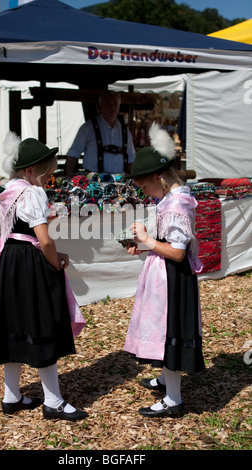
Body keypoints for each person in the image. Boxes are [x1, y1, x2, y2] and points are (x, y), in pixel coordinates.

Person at [0, 132, 88, 421]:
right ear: (30, 171)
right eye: (45, 175)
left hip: (10, 263)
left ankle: (11, 396)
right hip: (30, 264)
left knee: (14, 324)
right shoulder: (32, 192)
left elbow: (19, 234)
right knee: (44, 324)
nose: (47, 181)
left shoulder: (10, 191)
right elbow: (45, 240)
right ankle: (53, 401)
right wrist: (56, 263)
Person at [124, 122, 205, 418]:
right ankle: (165, 381)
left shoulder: (177, 205)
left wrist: (148, 240)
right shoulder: (170, 199)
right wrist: (143, 246)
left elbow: (178, 251)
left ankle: (173, 399)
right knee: (163, 331)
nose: (146, 193)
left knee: (169, 333)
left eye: (146, 187)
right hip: (166, 277)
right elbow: (166, 243)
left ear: (159, 176)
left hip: (174, 280)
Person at [66, 90, 135, 174]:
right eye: (108, 104)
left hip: (120, 183)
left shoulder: (125, 131)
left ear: (119, 107)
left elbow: (131, 159)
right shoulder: (88, 127)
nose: (112, 108)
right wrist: (69, 177)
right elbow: (73, 154)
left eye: (115, 104)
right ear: (100, 107)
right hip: (93, 184)